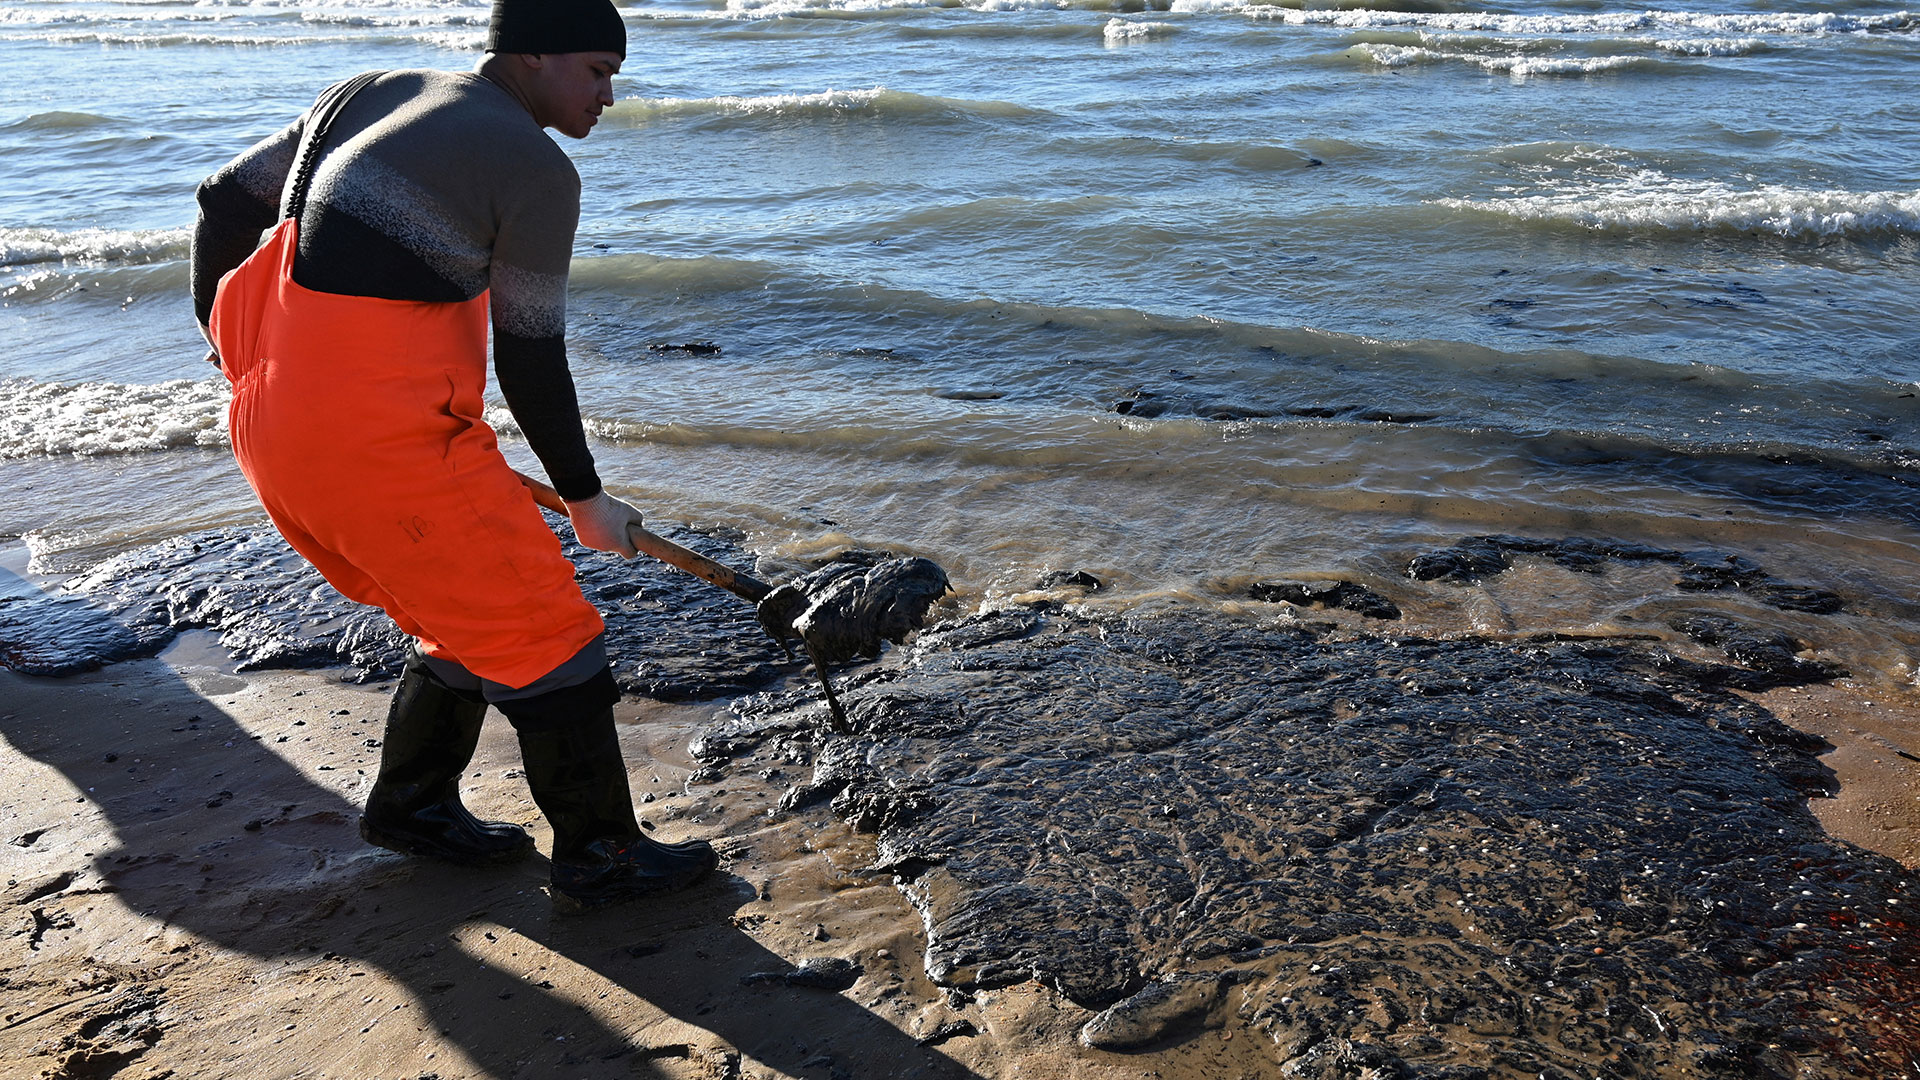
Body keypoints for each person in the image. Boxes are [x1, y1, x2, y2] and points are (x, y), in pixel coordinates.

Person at [189, 0, 717, 914]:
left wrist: (224, 339)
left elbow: (223, 203)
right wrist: (586, 500)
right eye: (596, 70)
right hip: (382, 447)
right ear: (534, 54)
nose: (610, 95)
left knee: (462, 613)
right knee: (553, 634)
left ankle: (412, 808)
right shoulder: (534, 167)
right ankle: (602, 858)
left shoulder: (371, 92)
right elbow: (529, 351)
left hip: (274, 422)